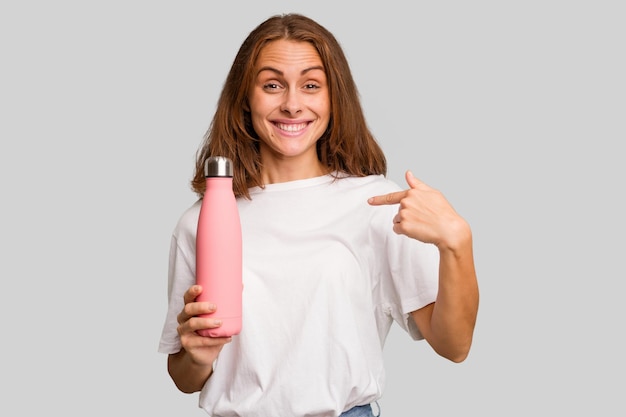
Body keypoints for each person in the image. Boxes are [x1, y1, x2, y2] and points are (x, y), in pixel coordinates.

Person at [158, 13, 479, 417]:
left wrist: (457, 243)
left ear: (333, 98)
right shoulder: (201, 222)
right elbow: (183, 377)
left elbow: (455, 345)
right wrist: (198, 356)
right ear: (246, 98)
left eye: (311, 85)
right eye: (272, 85)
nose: (292, 104)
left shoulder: (375, 205)